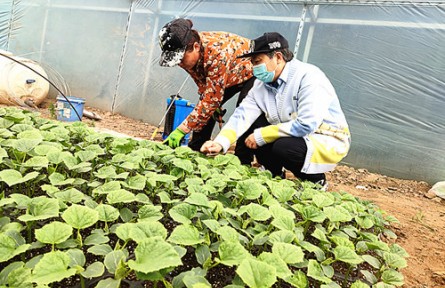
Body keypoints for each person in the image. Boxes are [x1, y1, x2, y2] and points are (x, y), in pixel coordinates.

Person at [200, 32, 351, 187]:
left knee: (281, 147)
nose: (254, 68)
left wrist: (262, 135)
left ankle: (316, 181)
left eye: (258, 61)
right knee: (254, 123)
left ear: (278, 57)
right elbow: (242, 116)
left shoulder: (309, 77)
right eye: (252, 63)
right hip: (292, 134)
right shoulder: (260, 85)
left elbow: (307, 124)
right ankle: (274, 176)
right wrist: (219, 142)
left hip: (327, 138)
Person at [158, 18, 255, 164]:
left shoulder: (217, 53)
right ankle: (195, 152)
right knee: (205, 109)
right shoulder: (188, 56)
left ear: (196, 47)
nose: (180, 64)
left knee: (245, 110)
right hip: (224, 75)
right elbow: (202, 82)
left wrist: (182, 129)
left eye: (181, 59)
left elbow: (211, 99)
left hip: (249, 72)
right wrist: (210, 102)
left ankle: (242, 161)